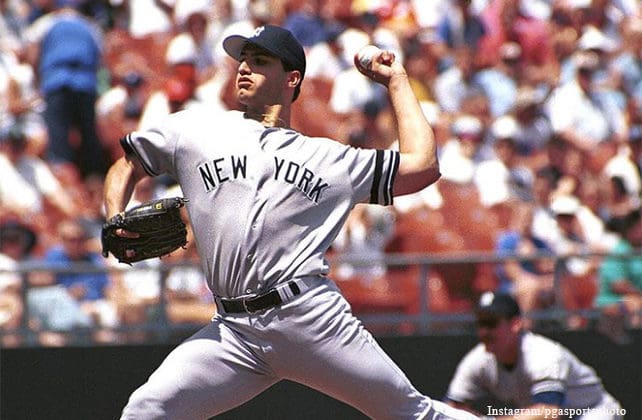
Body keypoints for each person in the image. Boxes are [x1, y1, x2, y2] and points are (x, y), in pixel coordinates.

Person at [104, 24, 479, 420]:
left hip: (307, 316)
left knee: (410, 414)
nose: (244, 68)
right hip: (234, 331)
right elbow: (127, 164)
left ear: (292, 78)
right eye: (243, 60)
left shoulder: (329, 160)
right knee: (147, 410)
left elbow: (422, 167)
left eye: (260, 61)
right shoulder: (196, 128)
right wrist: (114, 213)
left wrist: (398, 81)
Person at [446, 291, 625, 420]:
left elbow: (549, 413)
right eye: (480, 324)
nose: (484, 331)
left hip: (590, 411)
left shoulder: (543, 353)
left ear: (515, 324)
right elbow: (452, 408)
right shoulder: (477, 359)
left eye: (491, 323)